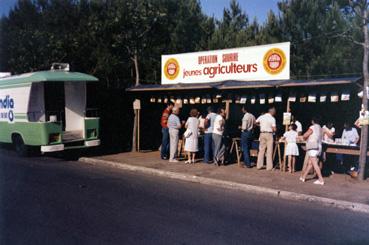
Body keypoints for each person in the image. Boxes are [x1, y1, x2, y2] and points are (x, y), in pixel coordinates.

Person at [300, 117, 324, 185]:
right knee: (311, 163)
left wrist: (304, 137)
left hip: (312, 146)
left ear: (313, 121)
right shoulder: (320, 128)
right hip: (318, 147)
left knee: (314, 163)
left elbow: (305, 135)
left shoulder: (312, 127)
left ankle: (321, 179)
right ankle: (303, 177)